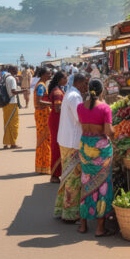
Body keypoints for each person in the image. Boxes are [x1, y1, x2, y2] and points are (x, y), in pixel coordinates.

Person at [76, 78, 115, 236]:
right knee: (102, 186)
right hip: (100, 148)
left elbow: (83, 122)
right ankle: (100, 228)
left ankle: (83, 225)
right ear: (101, 91)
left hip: (85, 146)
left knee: (86, 183)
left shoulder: (80, 107)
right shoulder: (105, 108)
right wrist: (115, 133)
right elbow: (109, 132)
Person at [54, 73, 86, 222]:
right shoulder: (75, 96)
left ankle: (62, 209)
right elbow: (81, 118)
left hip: (65, 140)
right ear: (80, 82)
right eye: (85, 84)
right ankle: (70, 213)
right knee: (73, 179)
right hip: (72, 142)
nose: (86, 87)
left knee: (66, 177)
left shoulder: (70, 93)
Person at [47, 71, 66, 183]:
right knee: (56, 146)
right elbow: (58, 108)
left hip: (56, 119)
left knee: (57, 145)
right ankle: (54, 174)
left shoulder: (56, 89)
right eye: (65, 77)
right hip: (57, 120)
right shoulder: (58, 92)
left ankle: (57, 172)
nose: (67, 79)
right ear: (60, 79)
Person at [33, 67, 52, 175]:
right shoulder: (41, 85)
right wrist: (51, 104)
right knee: (44, 139)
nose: (50, 75)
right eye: (48, 74)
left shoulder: (42, 84)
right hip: (42, 114)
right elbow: (39, 101)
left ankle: (43, 165)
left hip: (43, 114)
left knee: (45, 139)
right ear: (43, 75)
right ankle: (44, 165)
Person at [1, 66, 24, 149]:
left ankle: (6, 143)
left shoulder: (4, 77)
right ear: (10, 70)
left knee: (7, 123)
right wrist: (23, 91)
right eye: (15, 70)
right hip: (12, 103)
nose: (16, 71)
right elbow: (14, 92)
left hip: (5, 103)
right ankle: (13, 143)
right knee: (14, 124)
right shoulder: (12, 79)